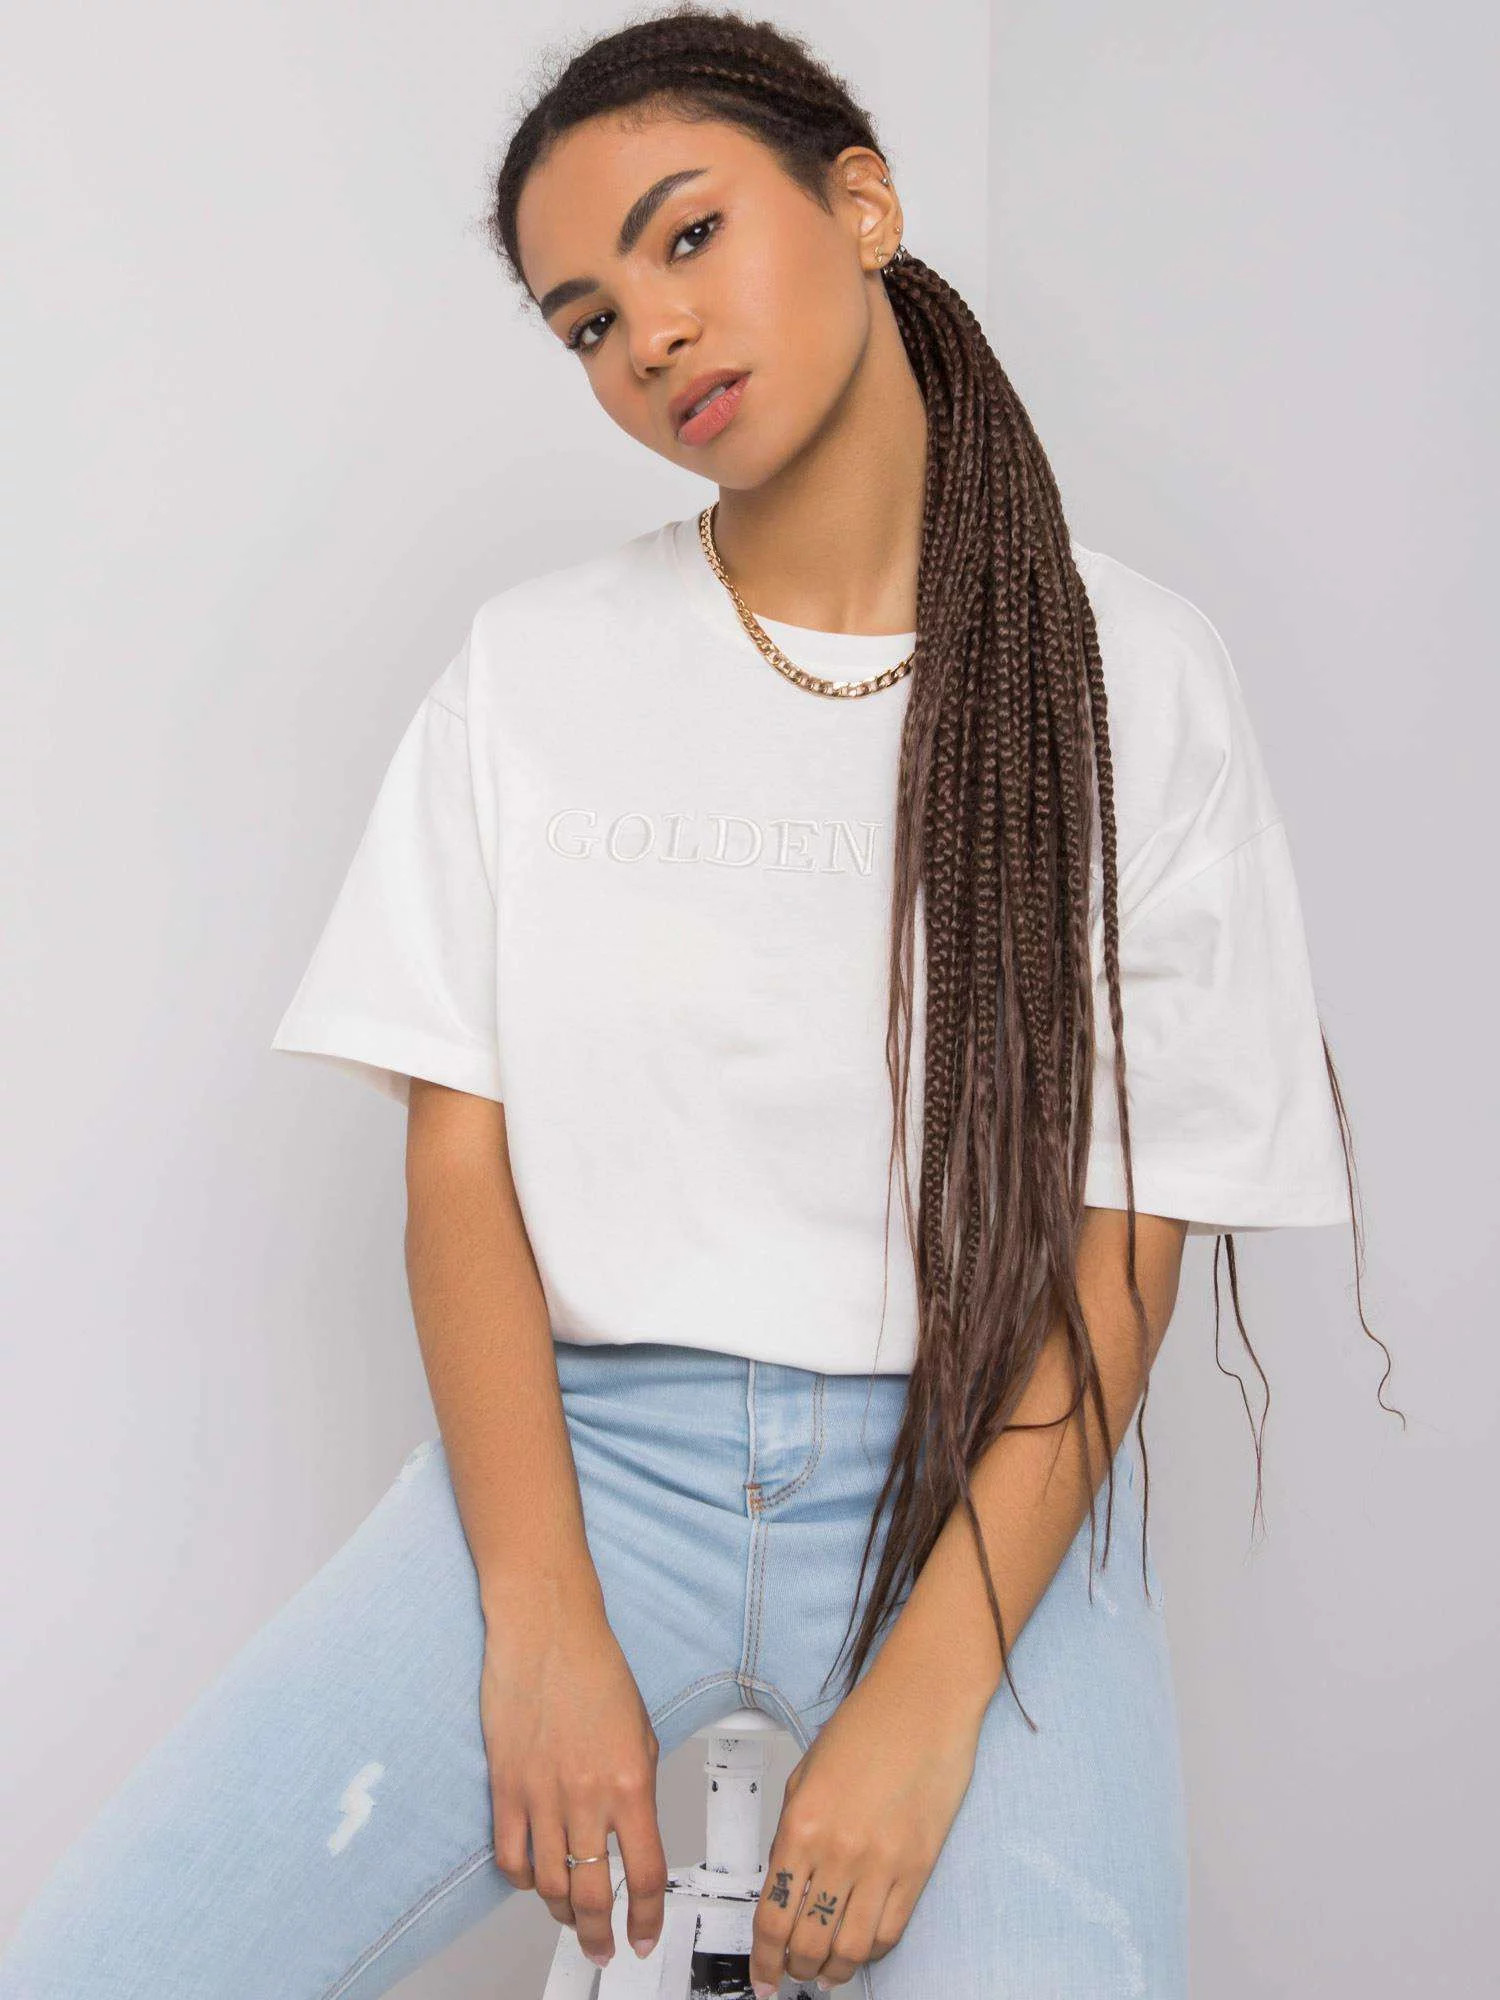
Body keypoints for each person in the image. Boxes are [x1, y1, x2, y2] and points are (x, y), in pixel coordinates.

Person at [0, 9, 1398, 1997]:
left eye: (686, 236)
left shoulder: (1137, 675)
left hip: (976, 1486)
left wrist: (928, 1700)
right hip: (588, 1462)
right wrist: (536, 1620)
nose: (648, 335)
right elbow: (459, 1164)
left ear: (862, 203)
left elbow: (1124, 1236)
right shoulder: (534, 672)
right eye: (586, 319)